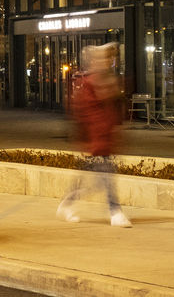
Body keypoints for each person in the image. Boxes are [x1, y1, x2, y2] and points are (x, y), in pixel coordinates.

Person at [56, 43, 132, 227]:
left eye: (110, 59)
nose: (108, 62)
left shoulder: (108, 82)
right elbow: (84, 114)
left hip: (104, 138)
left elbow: (113, 112)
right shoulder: (89, 83)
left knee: (97, 178)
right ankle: (115, 212)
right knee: (106, 175)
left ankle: (67, 203)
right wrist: (88, 139)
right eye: (105, 58)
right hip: (95, 139)